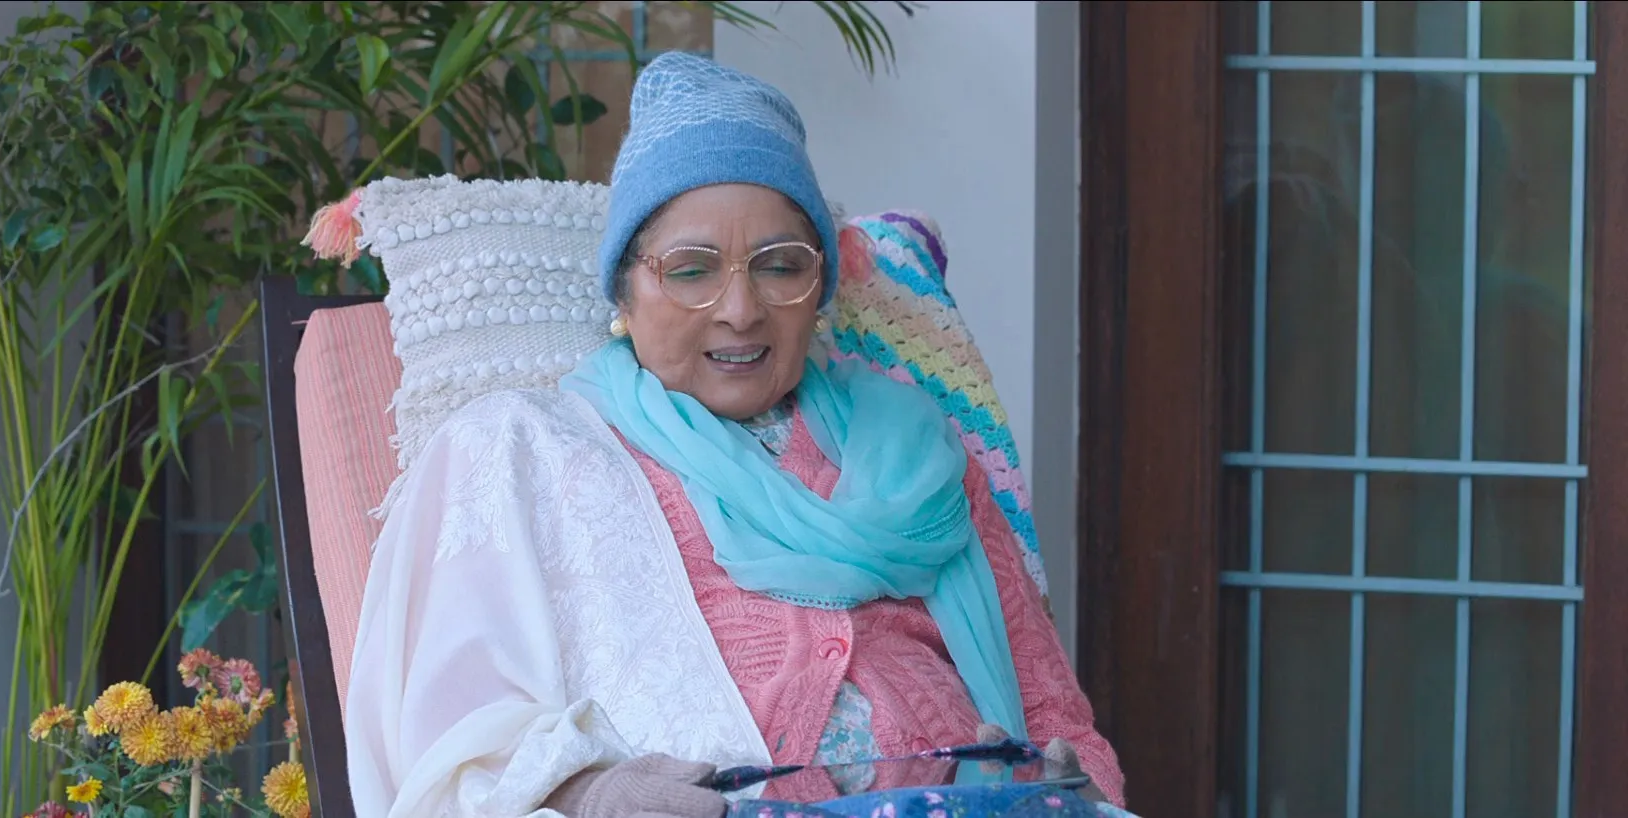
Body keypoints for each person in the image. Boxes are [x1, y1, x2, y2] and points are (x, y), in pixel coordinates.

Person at [344, 52, 1125, 818]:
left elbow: (1050, 710)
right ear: (625, 291)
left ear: (820, 286)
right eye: (691, 270)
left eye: (780, 266)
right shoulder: (523, 449)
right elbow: (447, 739)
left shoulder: (916, 450)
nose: (741, 310)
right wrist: (591, 795)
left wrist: (1068, 794)